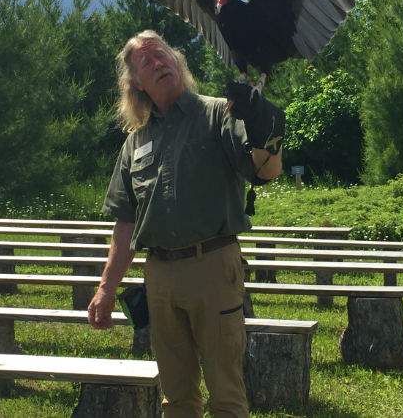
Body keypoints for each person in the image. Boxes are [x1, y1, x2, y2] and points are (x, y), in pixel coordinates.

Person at [87, 30, 284, 418]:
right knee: (176, 397)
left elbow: (267, 171)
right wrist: (106, 289)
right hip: (158, 276)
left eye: (162, 56)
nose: (159, 63)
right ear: (136, 84)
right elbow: (126, 222)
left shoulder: (219, 113)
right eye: (147, 62)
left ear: (178, 63)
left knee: (225, 396)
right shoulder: (135, 141)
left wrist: (268, 129)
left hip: (212, 265)